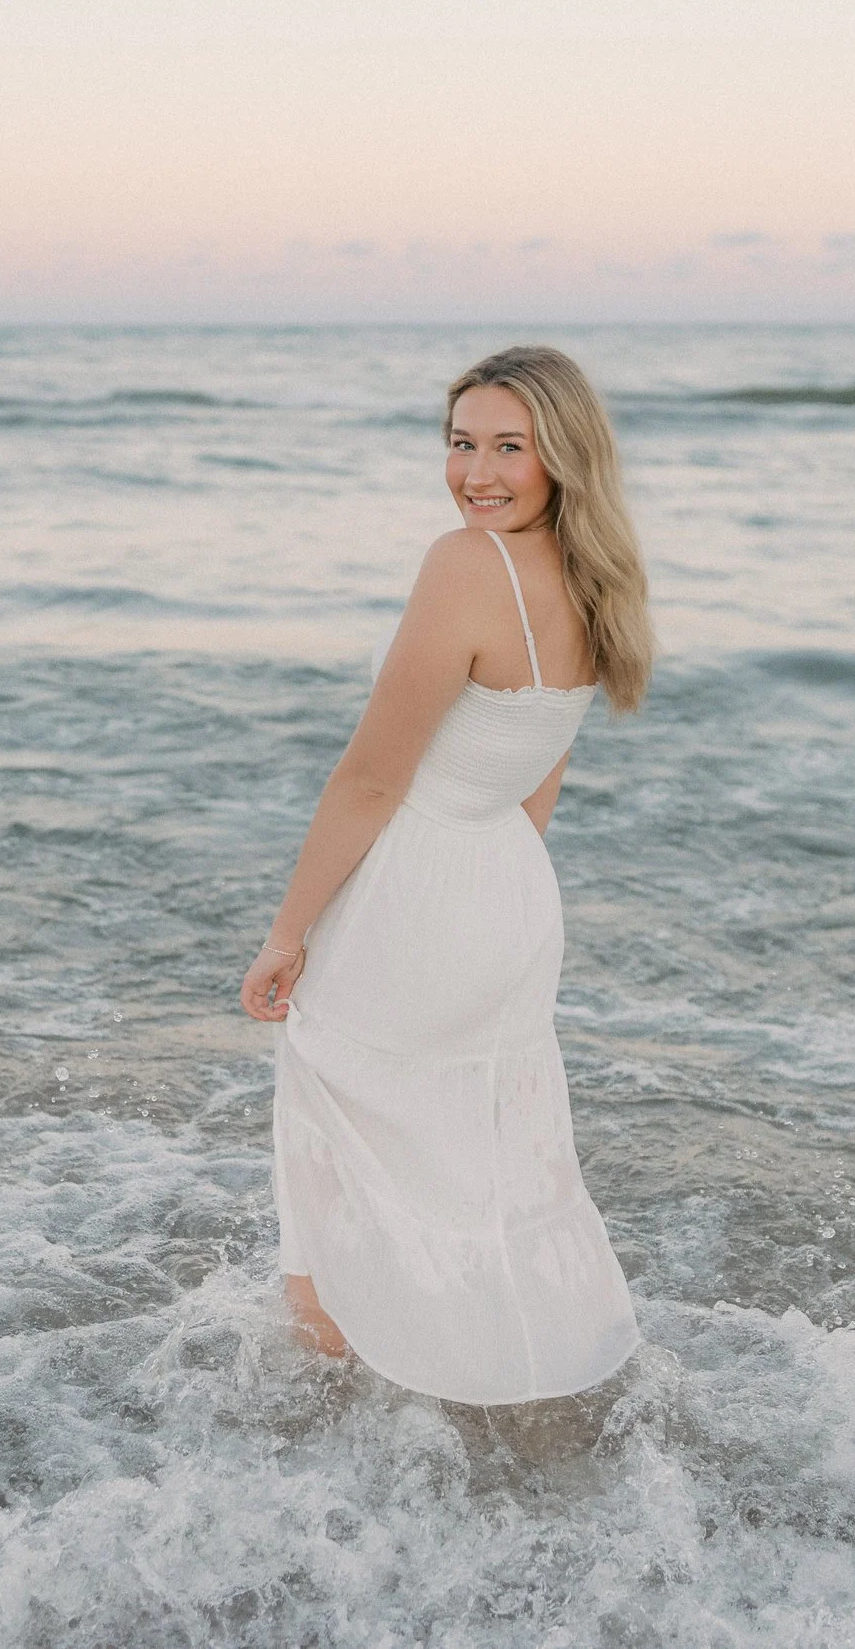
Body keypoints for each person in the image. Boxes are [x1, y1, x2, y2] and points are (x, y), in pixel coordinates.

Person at [238, 345, 652, 1405]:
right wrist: (492, 902)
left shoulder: (466, 565)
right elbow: (539, 774)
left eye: (508, 446)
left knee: (329, 1118)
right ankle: (509, 1370)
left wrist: (287, 933)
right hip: (508, 888)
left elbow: (372, 779)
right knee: (482, 1154)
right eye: (460, 444)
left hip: (420, 887)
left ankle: (335, 1391)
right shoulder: (601, 574)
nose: (476, 473)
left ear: (562, 453)